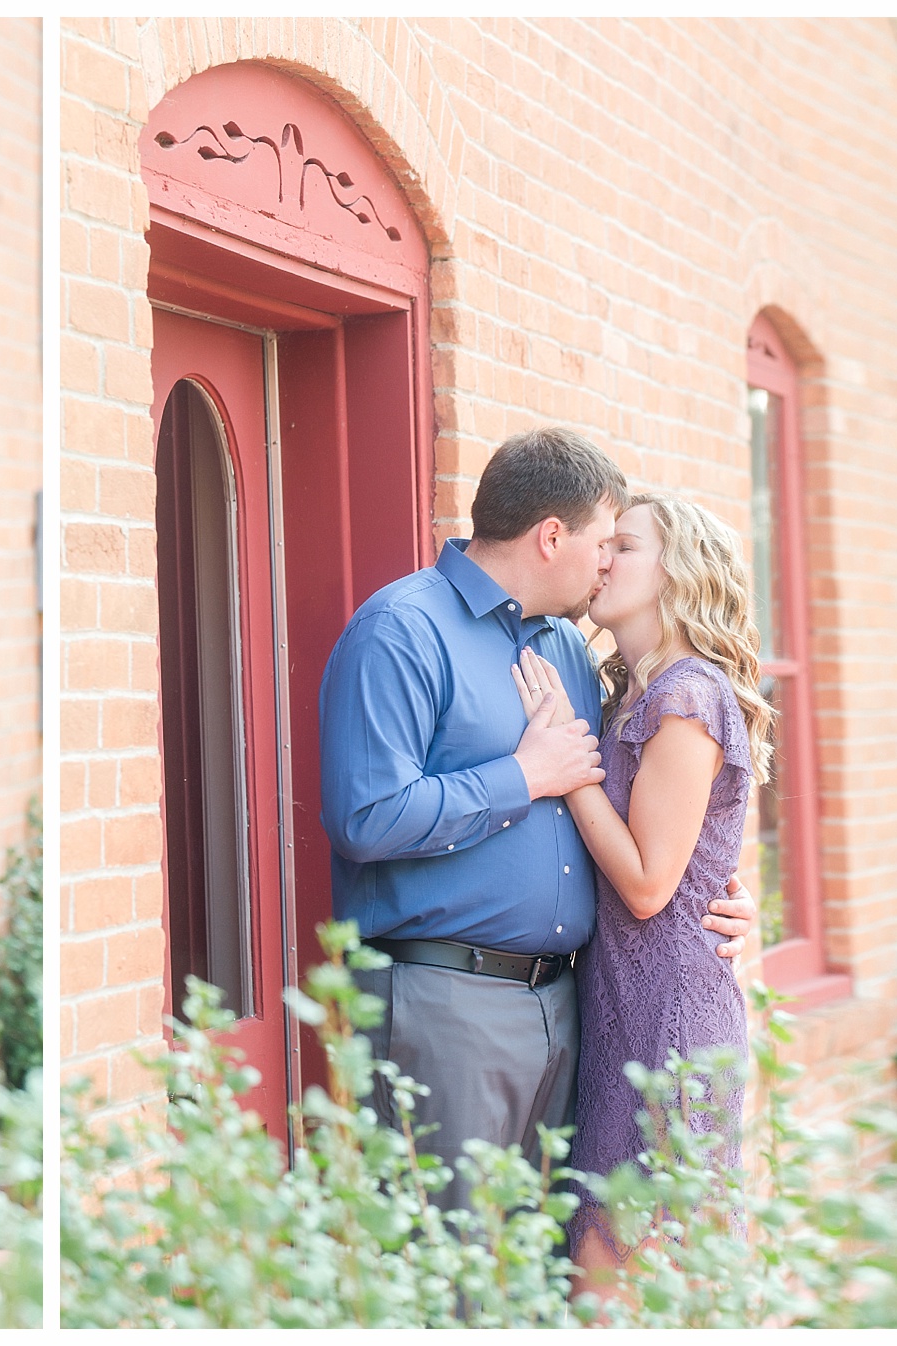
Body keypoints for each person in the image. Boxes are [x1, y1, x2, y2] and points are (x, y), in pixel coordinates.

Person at [317, 426, 758, 1214]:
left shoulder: (568, 648)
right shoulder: (402, 631)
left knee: (541, 1276)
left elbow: (648, 812)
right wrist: (522, 775)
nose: (605, 563)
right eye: (604, 541)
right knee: (453, 1275)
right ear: (553, 536)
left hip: (573, 1009)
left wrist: (711, 896)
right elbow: (367, 815)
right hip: (447, 1002)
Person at [511, 495, 768, 1304]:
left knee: (630, 1284)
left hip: (672, 1022)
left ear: (676, 574)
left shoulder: (686, 697)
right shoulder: (634, 693)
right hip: (623, 1005)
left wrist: (568, 767)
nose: (604, 560)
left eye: (624, 546)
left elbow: (652, 885)